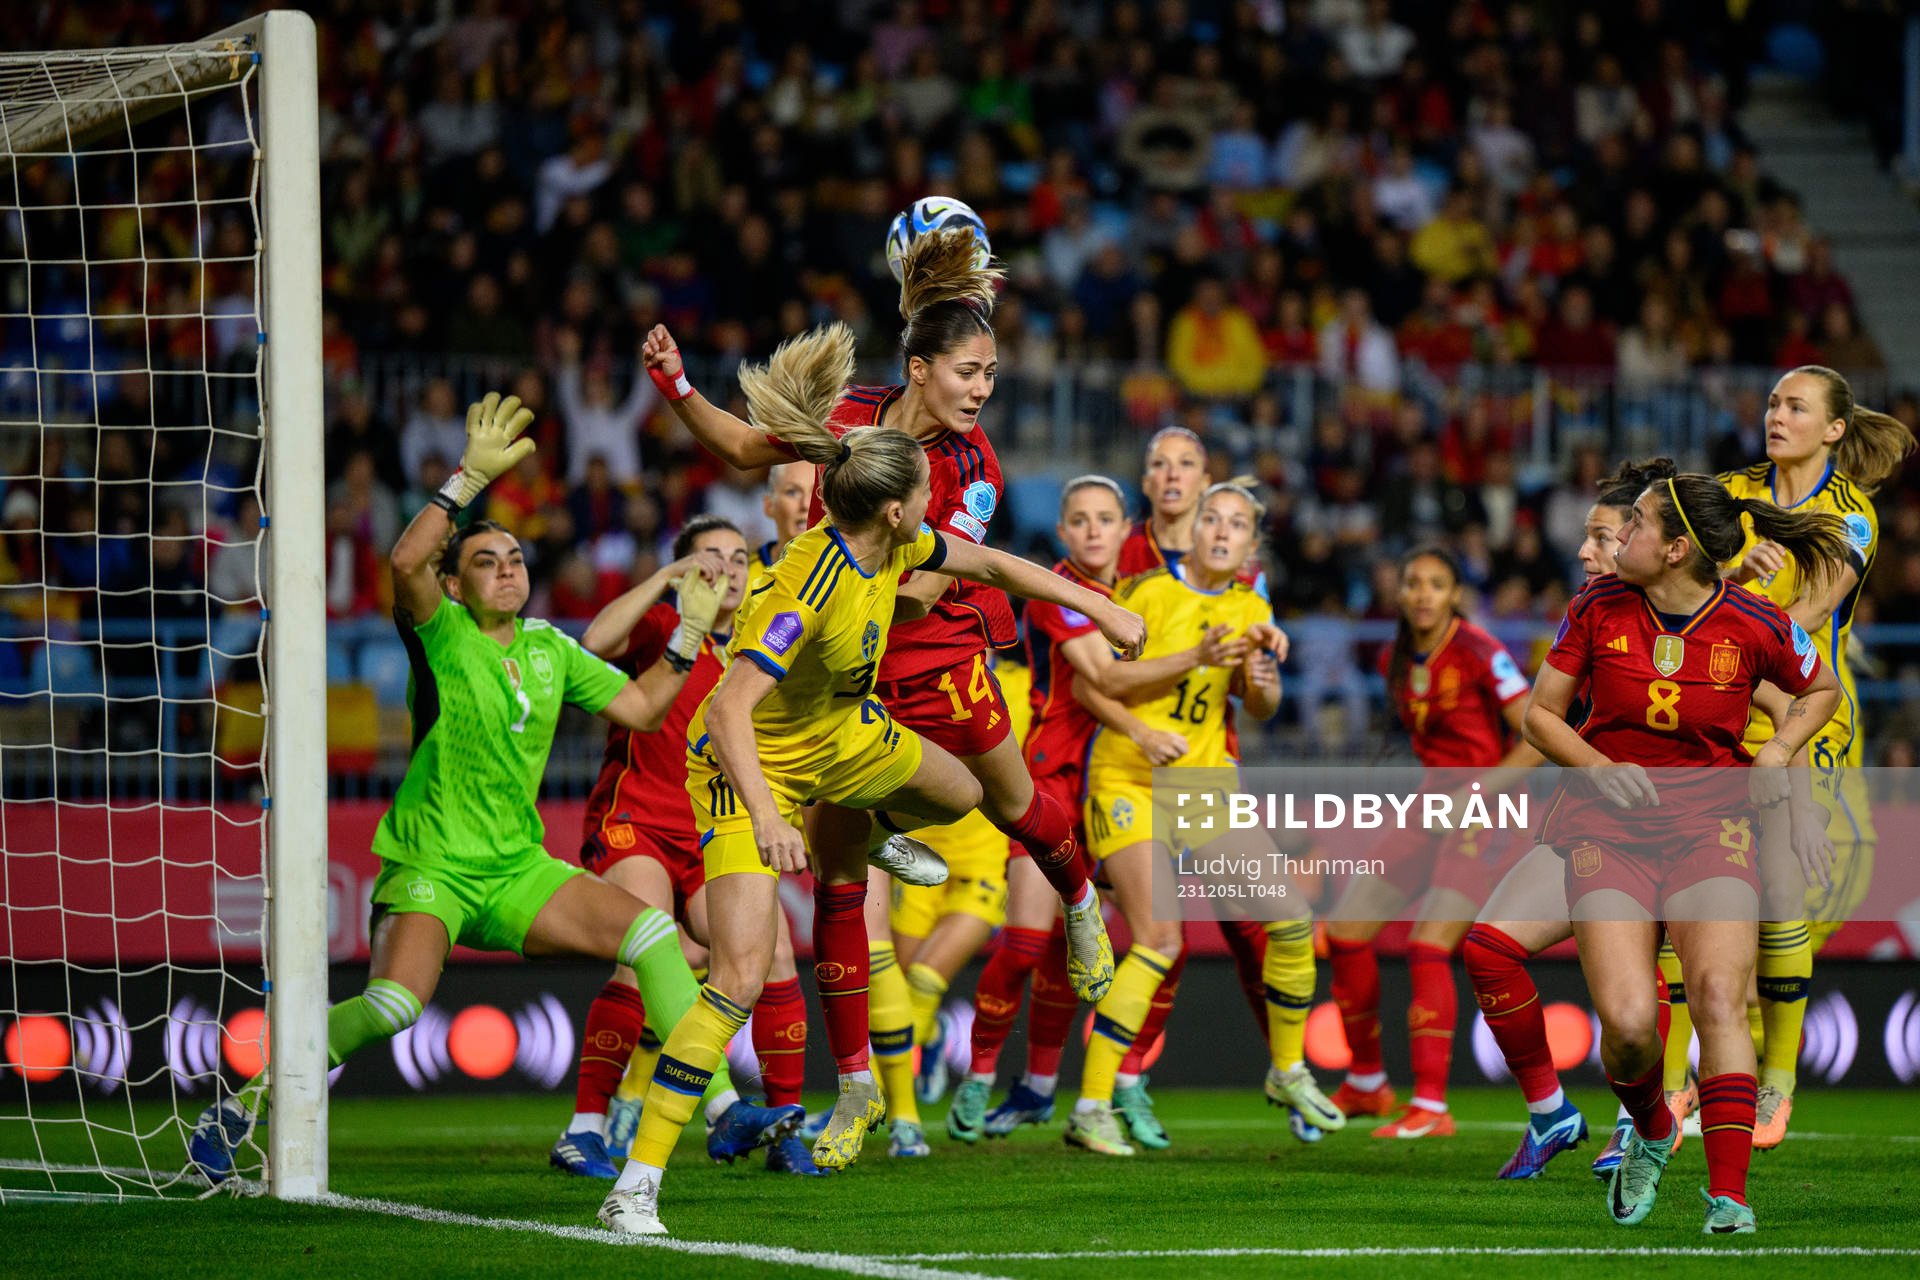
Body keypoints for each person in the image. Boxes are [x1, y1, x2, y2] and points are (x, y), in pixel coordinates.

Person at [597, 324, 1144, 1235]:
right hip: (751, 767)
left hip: (845, 736)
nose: (942, 506)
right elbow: (725, 714)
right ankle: (638, 1185)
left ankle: (878, 823)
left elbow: (994, 562)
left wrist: (1096, 604)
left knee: (967, 796)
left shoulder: (895, 545)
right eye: (927, 498)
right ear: (894, 509)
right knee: (734, 976)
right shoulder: (801, 590)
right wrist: (773, 821)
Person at [186, 395, 793, 1183]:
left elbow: (643, 708)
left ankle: (719, 1108)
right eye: (485, 561)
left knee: (647, 934)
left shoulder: (550, 648)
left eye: (514, 558)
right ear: (456, 583)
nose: (507, 570)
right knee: (395, 1008)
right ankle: (238, 1106)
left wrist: (686, 633)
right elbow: (405, 564)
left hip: (516, 869)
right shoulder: (441, 633)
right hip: (434, 865)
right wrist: (467, 480)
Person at [1525, 467, 1844, 1234]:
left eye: (1631, 523)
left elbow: (1821, 689)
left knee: (1717, 999)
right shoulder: (1596, 606)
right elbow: (1541, 716)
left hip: (1714, 831)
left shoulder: (1754, 621)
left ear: (1673, 550)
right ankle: (1654, 1128)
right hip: (1611, 833)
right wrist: (1600, 770)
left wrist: (1777, 755)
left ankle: (1728, 1196)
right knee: (1631, 1026)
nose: (1615, 536)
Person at [1671, 367, 1912, 1148]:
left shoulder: (1853, 515)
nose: (1777, 415)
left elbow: (1805, 618)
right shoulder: (1731, 491)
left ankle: (1777, 1085)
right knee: (1681, 902)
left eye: (1796, 406)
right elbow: (1678, 582)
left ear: (1834, 429)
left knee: (1779, 894)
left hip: (1802, 714)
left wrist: (1731, 598)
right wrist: (1727, 576)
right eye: (1773, 402)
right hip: (1712, 709)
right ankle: (1676, 1089)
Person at [1068, 479, 1340, 1156]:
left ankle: (1287, 1070)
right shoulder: (1146, 592)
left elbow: (1260, 706)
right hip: (1129, 776)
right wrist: (1196, 657)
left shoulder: (1253, 606)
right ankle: (1091, 1105)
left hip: (1204, 790)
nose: (1221, 530)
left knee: (1292, 919)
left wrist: (1264, 681)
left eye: (1237, 524)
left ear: (1252, 544)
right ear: (1192, 532)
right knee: (1159, 937)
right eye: (1212, 519)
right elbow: (1091, 681)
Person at [552, 515, 821, 1181]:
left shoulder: (765, 648)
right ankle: (584, 1129)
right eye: (710, 556)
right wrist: (666, 581)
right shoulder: (659, 633)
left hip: (713, 831)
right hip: (639, 820)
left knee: (775, 953)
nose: (729, 568)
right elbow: (593, 640)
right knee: (646, 945)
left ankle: (784, 1125)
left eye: (738, 556)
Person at [949, 476, 1184, 1145]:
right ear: (1062, 528)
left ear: (1124, 525)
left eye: (1104, 519)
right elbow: (1098, 676)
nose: (1091, 531)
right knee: (1026, 940)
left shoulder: (1144, 587)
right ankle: (981, 1072)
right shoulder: (1061, 591)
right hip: (1050, 775)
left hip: (1116, 785)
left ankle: (1055, 1086)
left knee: (1083, 947)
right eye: (1078, 519)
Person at [1463, 459, 1667, 1178]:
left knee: (1642, 989)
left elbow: (1788, 694)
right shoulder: (1590, 615)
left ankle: (1637, 1127)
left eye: (1602, 537)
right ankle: (1552, 1114)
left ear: (1649, 541)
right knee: (1487, 945)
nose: (1584, 552)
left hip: (1675, 834)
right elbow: (1540, 722)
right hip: (1583, 820)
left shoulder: (1700, 618)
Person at [1322, 546, 1541, 1139]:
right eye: (1413, 582)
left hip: (1486, 811)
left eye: (1436, 584)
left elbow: (1540, 735)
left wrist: (1479, 792)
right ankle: (1367, 1083)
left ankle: (1432, 1107)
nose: (1422, 594)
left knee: (1427, 946)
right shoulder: (1395, 655)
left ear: (1454, 595)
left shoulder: (1480, 651)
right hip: (1428, 807)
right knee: (1343, 932)